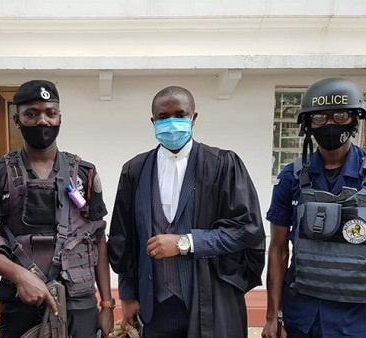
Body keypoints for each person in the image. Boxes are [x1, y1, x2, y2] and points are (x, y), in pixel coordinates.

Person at [107, 86, 266, 338]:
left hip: (210, 302)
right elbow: (122, 239)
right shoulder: (135, 171)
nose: (172, 123)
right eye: (163, 117)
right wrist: (127, 295)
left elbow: (248, 229)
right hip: (155, 306)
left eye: (180, 115)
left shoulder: (223, 165)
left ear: (193, 118)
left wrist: (186, 243)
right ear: (153, 121)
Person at [262, 77, 366, 338]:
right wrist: (273, 316)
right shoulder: (290, 177)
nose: (329, 124)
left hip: (356, 320)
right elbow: (278, 249)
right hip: (301, 317)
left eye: (339, 115)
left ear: (354, 119)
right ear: (308, 125)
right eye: (319, 117)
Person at [0, 80, 114, 338]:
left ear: (60, 117)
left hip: (79, 302)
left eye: (50, 113)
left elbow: (98, 239)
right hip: (21, 300)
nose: (42, 121)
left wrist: (106, 304)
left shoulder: (85, 173)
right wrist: (19, 276)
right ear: (17, 119)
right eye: (32, 113)